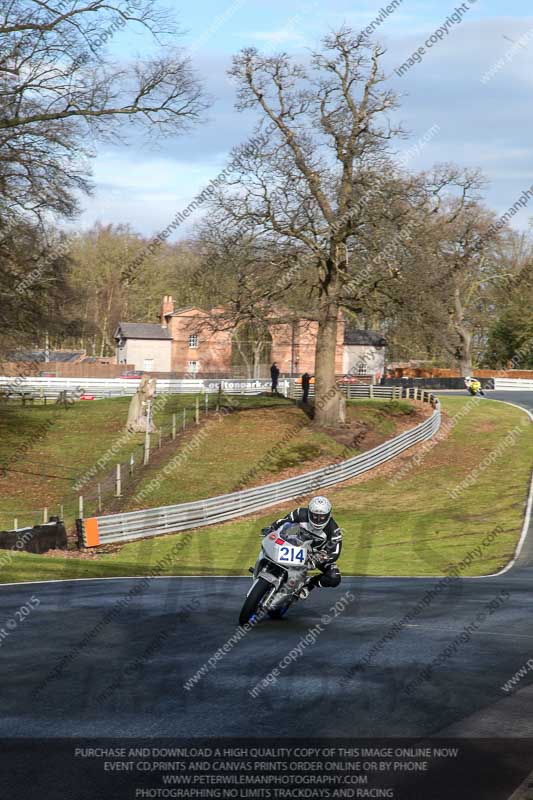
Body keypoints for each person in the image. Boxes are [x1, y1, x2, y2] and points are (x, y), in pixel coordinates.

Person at [262, 496, 342, 595]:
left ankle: (309, 584)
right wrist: (271, 527)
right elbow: (283, 521)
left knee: (334, 577)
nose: (318, 519)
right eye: (315, 515)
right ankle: (265, 564)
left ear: (329, 515)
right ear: (309, 512)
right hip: (294, 544)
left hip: (315, 555)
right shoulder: (300, 513)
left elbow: (335, 551)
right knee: (273, 539)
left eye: (322, 517)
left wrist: (321, 558)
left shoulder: (334, 529)